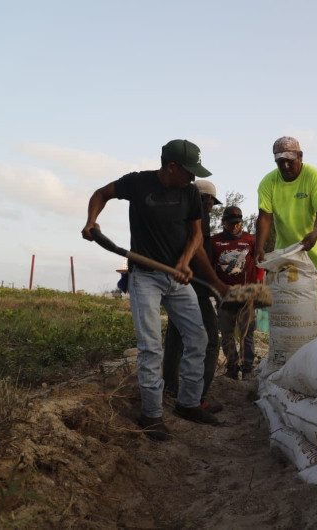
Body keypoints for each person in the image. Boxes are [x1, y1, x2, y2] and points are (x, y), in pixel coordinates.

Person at [82, 139, 227, 442]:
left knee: (198, 338)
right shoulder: (138, 183)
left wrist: (185, 262)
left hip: (176, 278)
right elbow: (101, 194)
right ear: (172, 167)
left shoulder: (189, 192)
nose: (192, 178)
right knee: (151, 348)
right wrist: (91, 221)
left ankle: (188, 404)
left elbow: (197, 233)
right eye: (189, 171)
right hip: (145, 277)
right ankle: (151, 414)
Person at [162, 179, 223, 413]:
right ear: (205, 198)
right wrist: (213, 284)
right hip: (195, 286)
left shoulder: (177, 214)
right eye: (211, 202)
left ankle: (170, 390)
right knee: (208, 340)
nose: (211, 207)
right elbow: (197, 251)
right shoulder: (198, 215)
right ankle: (198, 397)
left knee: (176, 341)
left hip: (176, 284)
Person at [254, 136, 317, 298]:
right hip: (287, 258)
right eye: (280, 162)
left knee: (314, 307)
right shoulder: (268, 182)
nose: (285, 166)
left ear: (300, 156)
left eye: (290, 161)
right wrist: (259, 247)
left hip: (315, 257)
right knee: (289, 305)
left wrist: (315, 234)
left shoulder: (314, 177)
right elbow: (265, 218)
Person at [210, 206, 263, 379]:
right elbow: (210, 267)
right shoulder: (214, 242)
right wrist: (217, 288)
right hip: (224, 295)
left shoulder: (250, 240)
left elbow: (259, 263)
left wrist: (257, 285)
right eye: (231, 223)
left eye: (238, 223)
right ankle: (232, 367)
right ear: (223, 222)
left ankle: (247, 368)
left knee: (247, 332)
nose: (235, 227)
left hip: (246, 294)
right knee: (227, 333)